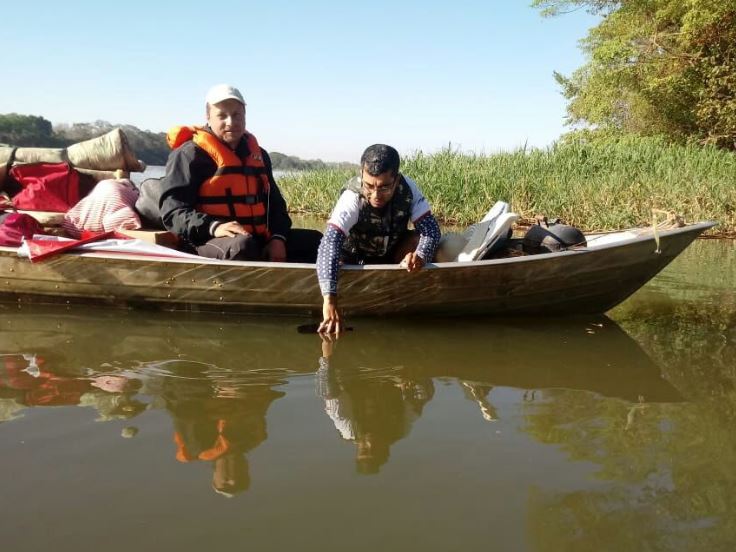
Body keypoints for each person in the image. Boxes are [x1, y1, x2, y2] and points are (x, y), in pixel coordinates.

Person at [158, 84, 321, 262]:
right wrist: (214, 227)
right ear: (208, 116)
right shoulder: (189, 155)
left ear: (244, 115)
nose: (231, 122)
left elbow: (276, 206)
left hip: (256, 238)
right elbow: (172, 212)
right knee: (243, 247)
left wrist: (277, 238)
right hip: (207, 239)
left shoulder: (259, 155)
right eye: (222, 115)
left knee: (318, 242)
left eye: (237, 115)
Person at [316, 144, 441, 333]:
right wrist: (330, 300)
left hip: (391, 253)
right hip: (354, 256)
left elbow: (431, 229)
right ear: (362, 174)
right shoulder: (351, 198)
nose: (375, 195)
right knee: (334, 256)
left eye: (384, 187)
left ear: (396, 180)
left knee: (418, 242)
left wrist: (421, 255)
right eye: (369, 186)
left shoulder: (409, 189)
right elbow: (329, 242)